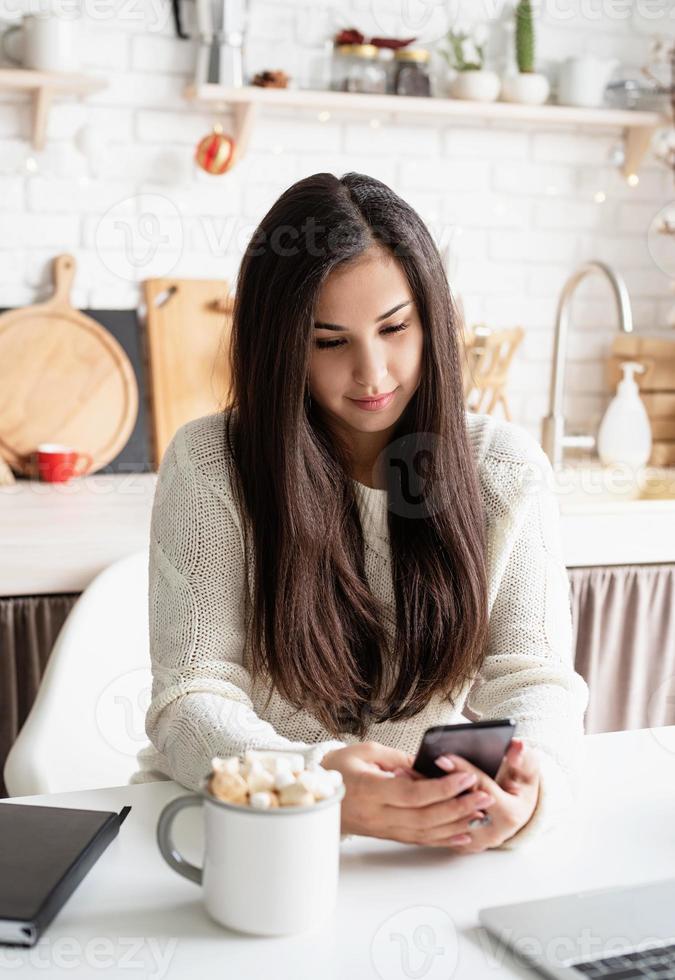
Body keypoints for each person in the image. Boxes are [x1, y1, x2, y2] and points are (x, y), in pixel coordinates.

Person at [132, 171, 589, 853]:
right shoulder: (211, 464)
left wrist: (533, 778)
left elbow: (534, 678)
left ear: (432, 318)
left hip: (413, 841)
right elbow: (190, 698)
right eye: (328, 341)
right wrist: (312, 784)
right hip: (232, 822)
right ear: (280, 347)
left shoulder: (503, 469)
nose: (373, 373)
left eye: (394, 328)